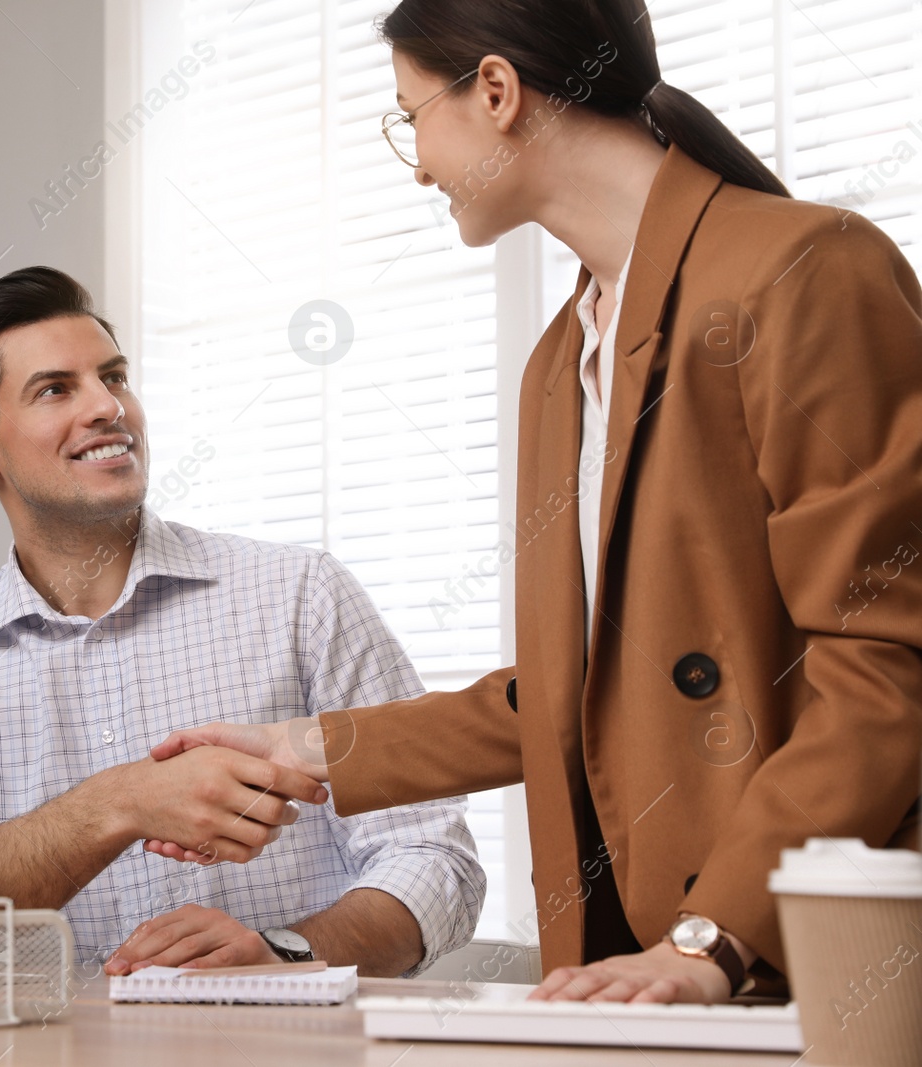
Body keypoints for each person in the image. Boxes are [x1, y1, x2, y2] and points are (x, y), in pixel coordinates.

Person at [149, 0, 922, 1004]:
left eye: (410, 116)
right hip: (641, 970)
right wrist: (311, 750)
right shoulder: (561, 360)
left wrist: (707, 940)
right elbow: (578, 690)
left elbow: (886, 666)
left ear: (498, 93)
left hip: (826, 962)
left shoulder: (804, 270)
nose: (416, 162)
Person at [0, 266, 484, 977]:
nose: (108, 406)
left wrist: (285, 952)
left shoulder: (301, 594)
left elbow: (436, 858)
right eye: (57, 389)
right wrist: (117, 803)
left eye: (115, 376)